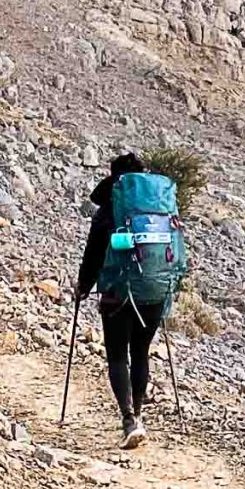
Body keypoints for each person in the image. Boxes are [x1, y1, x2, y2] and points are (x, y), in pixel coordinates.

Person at [76, 152, 161, 447]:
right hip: (153, 292)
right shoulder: (156, 209)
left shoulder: (109, 211)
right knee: (140, 352)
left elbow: (94, 253)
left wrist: (83, 287)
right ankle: (138, 414)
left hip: (117, 291)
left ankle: (128, 419)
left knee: (117, 356)